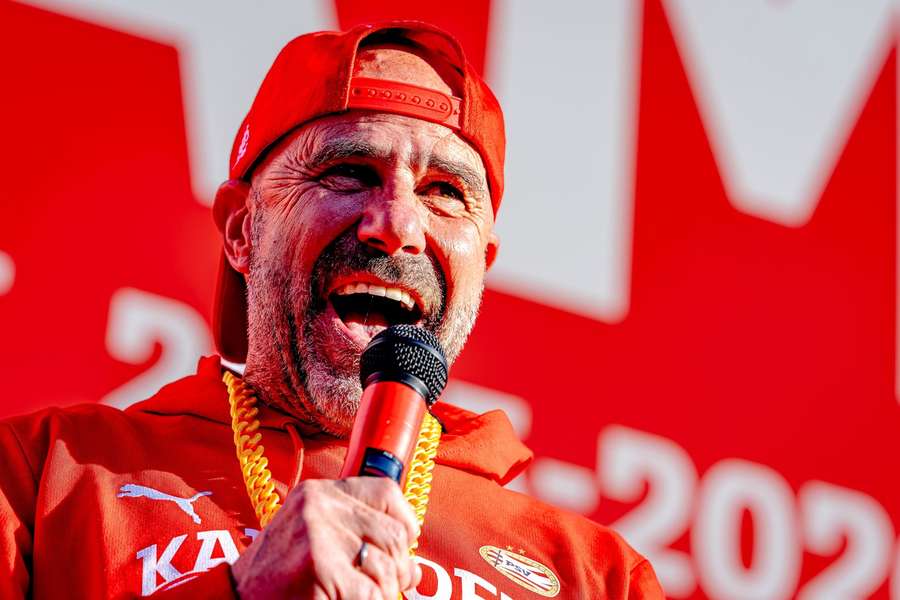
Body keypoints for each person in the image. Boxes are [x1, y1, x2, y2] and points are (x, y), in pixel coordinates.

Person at [0, 21, 663, 599]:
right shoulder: (41, 476)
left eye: (444, 192)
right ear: (242, 230)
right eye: (349, 172)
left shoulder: (597, 576)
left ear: (482, 265)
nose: (397, 225)